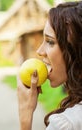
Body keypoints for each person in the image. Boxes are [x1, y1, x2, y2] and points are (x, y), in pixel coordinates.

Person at [17, 1, 82, 130]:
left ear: (74, 49)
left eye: (50, 42)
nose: (40, 51)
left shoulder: (66, 124)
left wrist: (25, 116)